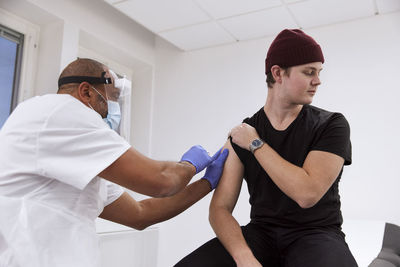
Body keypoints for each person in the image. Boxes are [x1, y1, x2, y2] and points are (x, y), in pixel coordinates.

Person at [0, 58, 228, 267]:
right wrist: (190, 165)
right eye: (113, 98)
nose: (114, 109)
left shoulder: (80, 158)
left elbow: (141, 214)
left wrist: (206, 183)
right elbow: (162, 181)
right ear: (86, 92)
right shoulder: (59, 112)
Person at [175, 29, 358, 267]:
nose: (318, 80)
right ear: (278, 73)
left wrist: (255, 144)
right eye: (309, 72)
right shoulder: (243, 132)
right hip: (262, 235)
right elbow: (219, 209)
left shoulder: (331, 125)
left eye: (319, 72)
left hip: (316, 233)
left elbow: (307, 194)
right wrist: (244, 258)